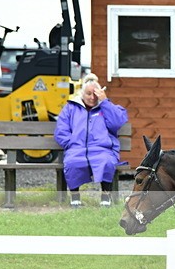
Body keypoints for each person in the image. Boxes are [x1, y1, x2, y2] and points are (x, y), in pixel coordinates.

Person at [54, 73, 128, 208]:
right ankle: (75, 197)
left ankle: (106, 196)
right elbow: (61, 130)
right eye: (88, 94)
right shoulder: (71, 108)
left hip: (102, 148)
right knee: (72, 162)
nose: (92, 97)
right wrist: (71, 143)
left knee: (106, 162)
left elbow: (117, 123)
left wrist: (105, 102)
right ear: (82, 93)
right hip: (77, 148)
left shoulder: (106, 107)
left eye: (95, 94)